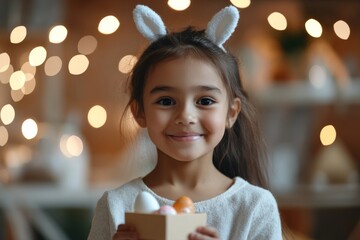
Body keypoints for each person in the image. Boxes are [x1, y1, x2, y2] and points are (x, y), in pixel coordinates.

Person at [88, 4, 282, 240]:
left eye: (205, 100)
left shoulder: (254, 207)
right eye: (167, 101)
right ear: (139, 112)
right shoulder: (116, 205)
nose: (185, 116)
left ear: (231, 113)